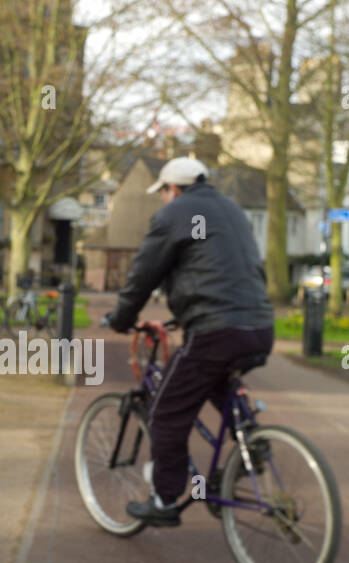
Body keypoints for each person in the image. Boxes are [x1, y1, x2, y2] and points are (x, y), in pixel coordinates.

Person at [101, 156, 274, 526]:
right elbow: (220, 271)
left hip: (216, 331)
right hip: (259, 326)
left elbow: (143, 274)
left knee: (164, 411)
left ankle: (164, 501)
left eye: (162, 192)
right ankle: (251, 446)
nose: (163, 199)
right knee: (214, 380)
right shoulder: (232, 210)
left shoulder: (174, 214)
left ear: (172, 188)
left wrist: (122, 319)